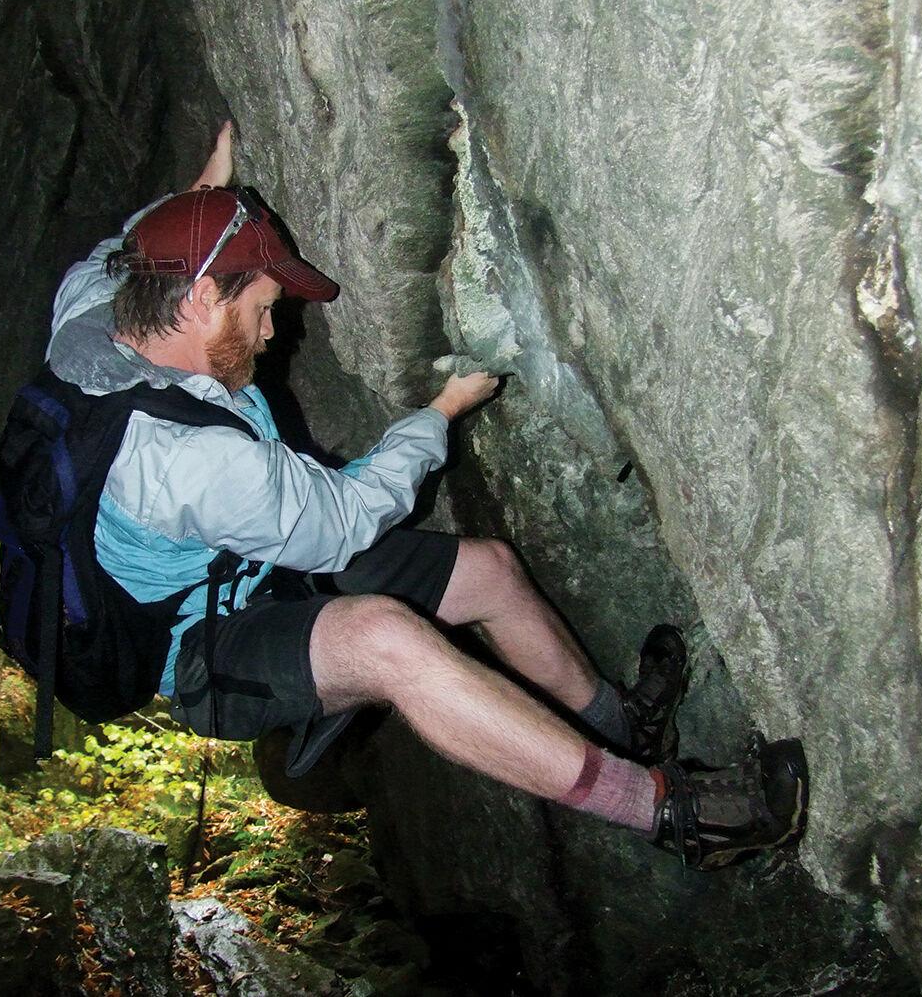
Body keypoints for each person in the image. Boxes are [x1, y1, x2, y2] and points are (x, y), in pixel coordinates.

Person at [45, 122, 808, 870]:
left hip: (243, 562)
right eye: (263, 308)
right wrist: (442, 411)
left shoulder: (95, 305)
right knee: (387, 639)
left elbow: (140, 240)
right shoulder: (190, 463)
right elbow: (343, 520)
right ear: (204, 298)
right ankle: (669, 811)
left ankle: (626, 725)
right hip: (199, 648)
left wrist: (207, 192)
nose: (274, 331)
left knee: (491, 574)